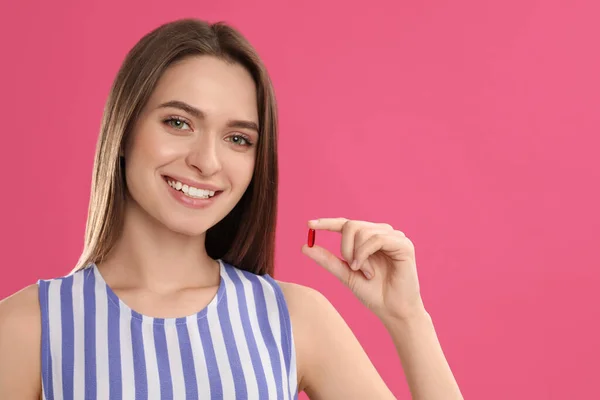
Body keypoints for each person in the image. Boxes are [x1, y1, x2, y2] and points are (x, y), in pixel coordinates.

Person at [0, 18, 463, 400]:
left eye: (238, 139)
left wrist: (407, 318)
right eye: (178, 123)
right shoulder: (28, 328)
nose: (206, 161)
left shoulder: (293, 318)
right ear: (123, 130)